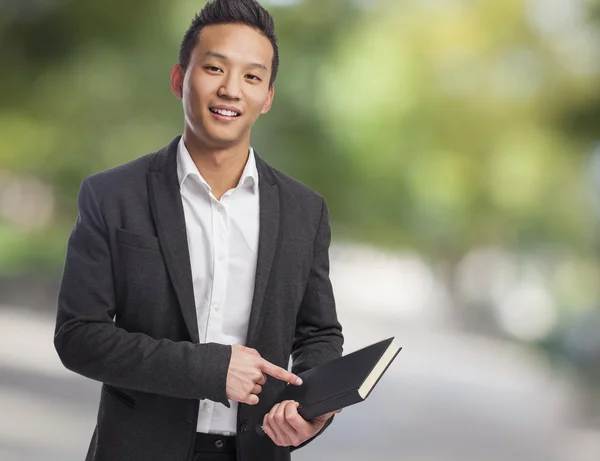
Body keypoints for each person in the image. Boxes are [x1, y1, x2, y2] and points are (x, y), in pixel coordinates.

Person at [53, 0, 344, 460]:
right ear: (179, 79)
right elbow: (78, 336)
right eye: (214, 68)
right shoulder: (112, 196)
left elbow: (319, 334)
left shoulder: (304, 211)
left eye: (252, 76)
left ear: (267, 96)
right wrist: (209, 369)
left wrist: (312, 407)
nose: (231, 89)